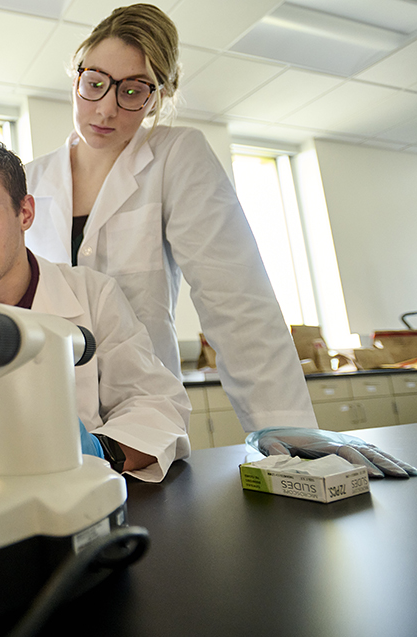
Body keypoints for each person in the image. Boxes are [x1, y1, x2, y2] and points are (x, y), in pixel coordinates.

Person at [21, 4, 416, 480]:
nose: (106, 107)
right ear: (76, 75)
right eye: (95, 82)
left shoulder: (175, 156)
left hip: (141, 419)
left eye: (133, 91)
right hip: (43, 414)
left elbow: (235, 296)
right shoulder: (26, 181)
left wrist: (281, 423)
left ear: (158, 96)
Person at [0, 138, 190, 483]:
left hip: (82, 493)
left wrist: (100, 450)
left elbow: (158, 407)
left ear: (25, 212)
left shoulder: (92, 294)